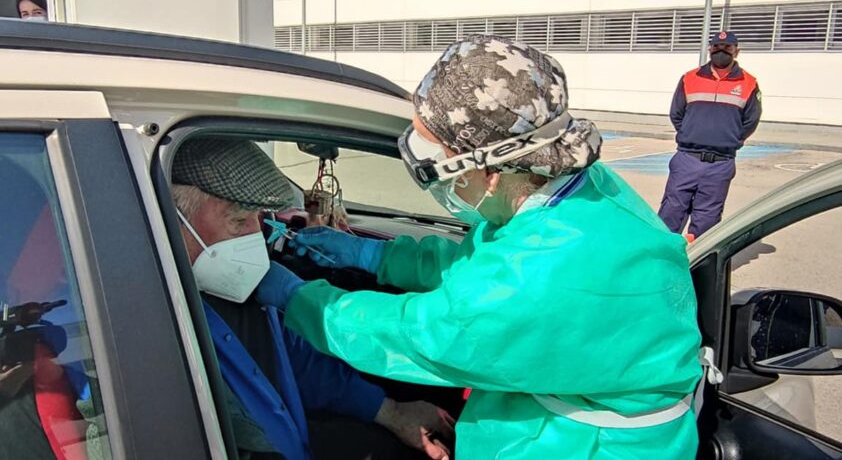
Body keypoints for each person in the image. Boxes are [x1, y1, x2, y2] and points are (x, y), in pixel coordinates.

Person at [256, 35, 704, 459]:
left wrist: (299, 298)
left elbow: (417, 336)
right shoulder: (575, 187)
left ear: (491, 171)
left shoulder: (538, 277)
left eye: (436, 160)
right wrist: (376, 256)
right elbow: (483, 263)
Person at [170, 137, 455, 460]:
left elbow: (299, 363)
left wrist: (392, 412)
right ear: (174, 217)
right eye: (238, 220)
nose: (257, 236)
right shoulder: (157, 317)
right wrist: (302, 297)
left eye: (259, 218)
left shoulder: (229, 289)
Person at [658, 31, 762, 241]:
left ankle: (697, 257)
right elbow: (677, 114)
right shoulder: (690, 78)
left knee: (707, 219)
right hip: (687, 158)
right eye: (716, 47)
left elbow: (751, 120)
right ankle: (663, 254)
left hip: (721, 163)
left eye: (727, 48)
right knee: (671, 211)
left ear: (736, 51)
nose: (721, 51)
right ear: (710, 49)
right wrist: (691, 133)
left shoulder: (749, 82)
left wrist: (730, 139)